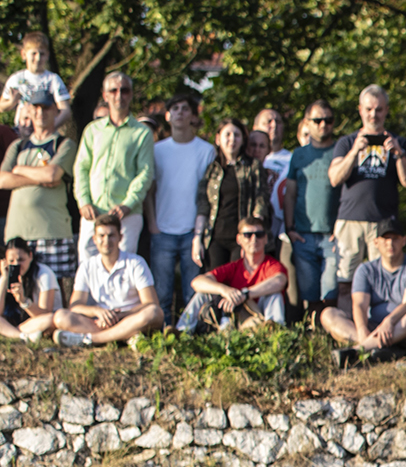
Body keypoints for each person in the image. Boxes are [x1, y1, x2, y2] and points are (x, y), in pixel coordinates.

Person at [328, 85, 406, 298]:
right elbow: (334, 178)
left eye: (379, 109)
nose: (373, 115)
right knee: (345, 280)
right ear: (360, 109)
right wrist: (353, 153)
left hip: (383, 223)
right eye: (369, 109)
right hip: (350, 221)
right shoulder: (346, 142)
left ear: (387, 110)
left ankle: (375, 326)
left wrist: (399, 154)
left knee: (379, 281)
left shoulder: (400, 142)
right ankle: (348, 327)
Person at [0, 87, 77, 290]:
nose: (40, 113)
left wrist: (19, 170)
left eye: (46, 107)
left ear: (55, 111)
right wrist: (39, 177)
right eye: (36, 107)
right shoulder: (18, 146)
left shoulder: (64, 144)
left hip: (52, 232)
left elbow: (52, 175)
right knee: (16, 292)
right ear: (29, 111)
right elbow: (2, 179)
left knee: (55, 294)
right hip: (18, 234)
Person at [72, 71, 154, 260]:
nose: (119, 95)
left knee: (123, 267)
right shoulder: (92, 131)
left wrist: (128, 204)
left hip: (127, 214)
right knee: (87, 264)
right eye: (113, 90)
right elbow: (81, 167)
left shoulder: (141, 133)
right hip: (93, 211)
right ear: (105, 95)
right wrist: (83, 201)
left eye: (124, 90)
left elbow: (145, 172)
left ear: (131, 94)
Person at [320, 221, 406, 365]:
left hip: (401, 326)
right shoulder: (365, 269)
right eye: (385, 239)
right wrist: (363, 330)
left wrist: (388, 322)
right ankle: (372, 346)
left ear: (403, 240)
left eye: (395, 238)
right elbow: (359, 304)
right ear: (376, 242)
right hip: (372, 327)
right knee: (328, 314)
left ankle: (357, 351)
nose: (390, 244)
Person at [49, 214, 164, 346]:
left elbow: (151, 303)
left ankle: (92, 339)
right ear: (94, 239)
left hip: (130, 318)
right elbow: (75, 306)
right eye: (102, 236)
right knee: (60, 317)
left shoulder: (136, 262)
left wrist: (120, 316)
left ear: (120, 237)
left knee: (154, 313)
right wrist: (97, 311)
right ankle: (125, 337)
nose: (106, 241)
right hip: (100, 322)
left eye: (111, 235)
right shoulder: (87, 266)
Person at [148, 92, 216, 316]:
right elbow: (150, 190)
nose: (179, 113)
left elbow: (209, 194)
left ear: (193, 117)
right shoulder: (157, 150)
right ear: (167, 116)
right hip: (162, 230)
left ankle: (191, 337)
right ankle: (164, 337)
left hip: (192, 232)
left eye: (185, 109)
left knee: (192, 293)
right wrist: (153, 225)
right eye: (174, 108)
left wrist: (201, 231)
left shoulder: (206, 151)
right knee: (162, 293)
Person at [176, 220, 287, 332]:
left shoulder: (272, 265)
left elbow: (280, 281)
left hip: (260, 315)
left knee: (274, 295)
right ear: (239, 239)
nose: (254, 239)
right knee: (202, 293)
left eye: (259, 234)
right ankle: (181, 333)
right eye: (247, 235)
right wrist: (224, 290)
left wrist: (245, 294)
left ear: (266, 238)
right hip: (237, 317)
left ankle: (275, 334)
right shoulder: (234, 267)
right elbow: (197, 282)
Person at [284, 101, 341, 317]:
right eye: (317, 120)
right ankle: (314, 337)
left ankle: (332, 334)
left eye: (328, 120)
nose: (323, 125)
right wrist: (290, 228)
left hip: (332, 236)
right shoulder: (298, 155)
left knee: (331, 292)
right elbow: (290, 194)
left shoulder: (339, 151)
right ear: (307, 122)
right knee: (310, 295)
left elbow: (347, 193)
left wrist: (341, 228)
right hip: (303, 235)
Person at [197, 118, 275, 271]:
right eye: (228, 135)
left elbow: (261, 199)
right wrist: (197, 237)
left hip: (241, 237)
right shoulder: (212, 169)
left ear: (242, 140)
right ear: (218, 139)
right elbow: (203, 204)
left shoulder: (253, 166)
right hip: (215, 237)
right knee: (216, 285)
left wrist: (253, 237)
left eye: (237, 135)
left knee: (239, 284)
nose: (232, 139)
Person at [1, 32, 71, 132]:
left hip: (45, 132)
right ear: (24, 54)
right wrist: (11, 102)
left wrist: (50, 128)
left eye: (42, 54)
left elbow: (65, 110)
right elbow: (1, 107)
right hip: (21, 132)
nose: (38, 58)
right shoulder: (16, 79)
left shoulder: (53, 79)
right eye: (34, 53)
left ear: (47, 55)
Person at [0, 236, 64, 342]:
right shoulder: (7, 275)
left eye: (21, 260)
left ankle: (12, 333)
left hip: (43, 321)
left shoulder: (44, 273)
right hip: (22, 324)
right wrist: (4, 278)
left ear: (30, 256)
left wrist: (24, 301)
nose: (16, 265)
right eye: (11, 261)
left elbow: (46, 313)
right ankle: (21, 336)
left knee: (49, 319)